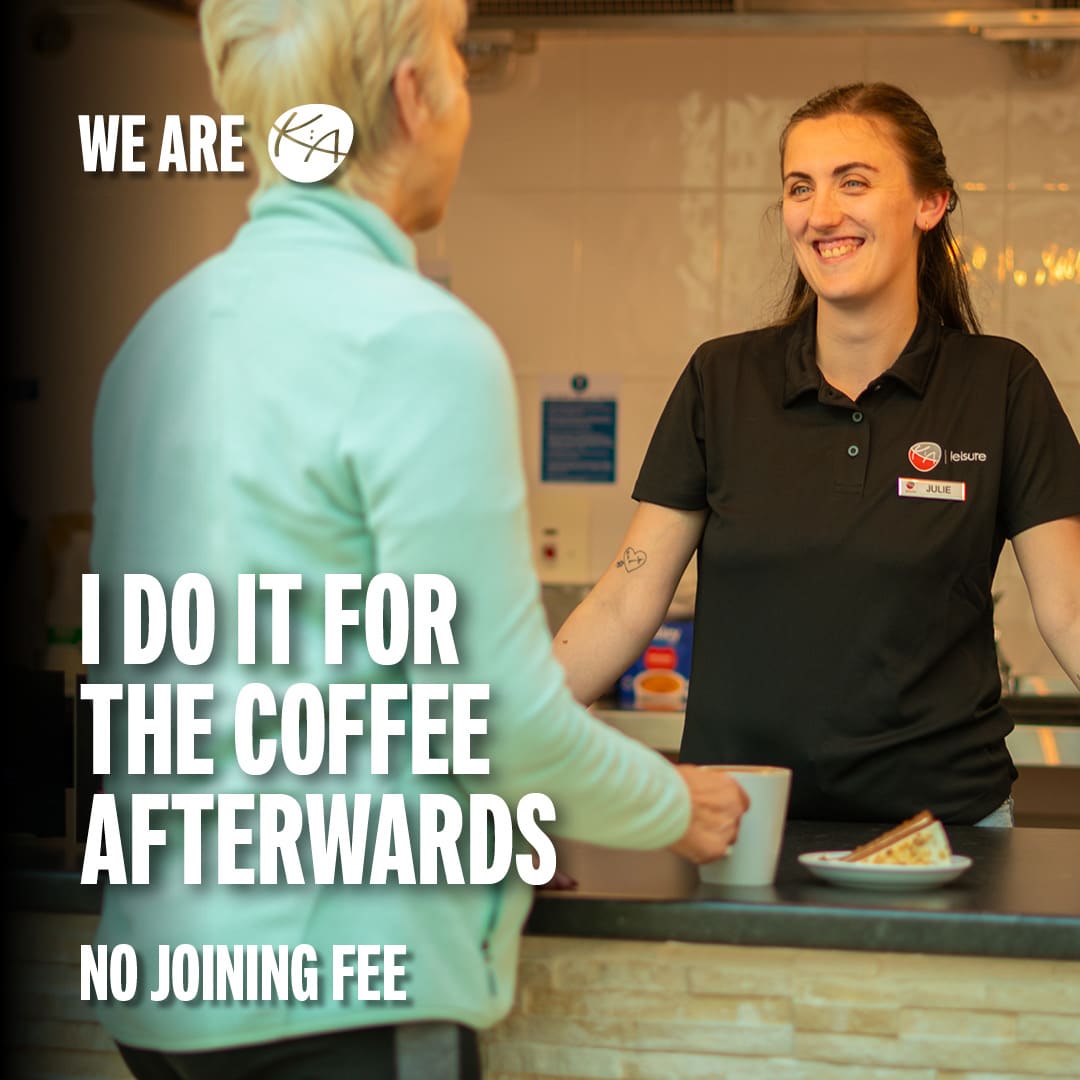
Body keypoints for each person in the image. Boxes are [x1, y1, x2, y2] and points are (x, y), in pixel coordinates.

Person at [88, 1, 747, 1077]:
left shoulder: (159, 338)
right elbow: (495, 719)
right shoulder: (415, 342)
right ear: (410, 95)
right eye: (458, 59)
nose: (464, 94)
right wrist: (677, 804)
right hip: (333, 994)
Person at [555, 82, 1080, 830]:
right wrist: (488, 738)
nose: (822, 213)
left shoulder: (999, 383)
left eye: (854, 183)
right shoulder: (722, 379)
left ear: (930, 203)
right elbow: (625, 597)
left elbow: (1069, 608)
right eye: (800, 187)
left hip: (945, 833)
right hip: (736, 825)